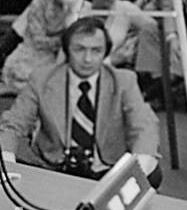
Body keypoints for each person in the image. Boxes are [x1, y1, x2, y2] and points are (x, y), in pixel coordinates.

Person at [0, 17, 159, 175]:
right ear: (67, 50)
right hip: (53, 166)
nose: (87, 59)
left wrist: (140, 165)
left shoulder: (124, 80)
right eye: (79, 49)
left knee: (153, 173)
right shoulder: (42, 79)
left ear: (105, 53)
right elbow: (14, 123)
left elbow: (144, 125)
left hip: (106, 169)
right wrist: (6, 162)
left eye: (96, 51)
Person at [0, 0, 81, 95]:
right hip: (34, 54)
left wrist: (70, 12)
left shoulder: (78, 5)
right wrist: (62, 40)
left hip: (58, 57)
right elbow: (37, 40)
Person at [81, 0, 152, 69]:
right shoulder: (81, 11)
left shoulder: (125, 8)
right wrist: (111, 60)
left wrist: (135, 40)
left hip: (118, 71)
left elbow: (153, 29)